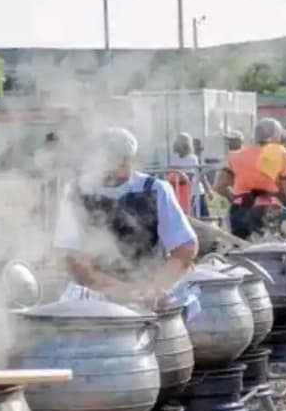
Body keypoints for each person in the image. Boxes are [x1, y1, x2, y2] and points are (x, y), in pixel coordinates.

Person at [55, 127, 198, 306]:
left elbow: (184, 248)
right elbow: (71, 254)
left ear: (131, 159)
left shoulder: (155, 189)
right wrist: (111, 287)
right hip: (94, 296)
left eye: (123, 161)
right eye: (110, 160)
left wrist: (154, 288)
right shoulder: (76, 191)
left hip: (150, 292)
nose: (118, 166)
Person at [214, 118, 286, 240]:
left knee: (240, 251)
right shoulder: (281, 156)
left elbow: (218, 186)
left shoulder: (235, 156)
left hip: (240, 210)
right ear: (275, 136)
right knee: (270, 253)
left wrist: (235, 198)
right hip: (267, 211)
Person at [170, 132, 211, 218]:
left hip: (195, 193)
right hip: (182, 195)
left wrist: (208, 190)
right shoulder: (174, 158)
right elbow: (171, 175)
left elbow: (188, 177)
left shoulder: (192, 158)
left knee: (203, 218)